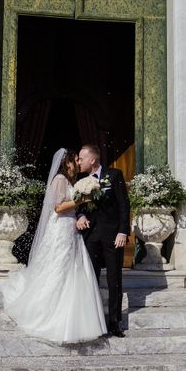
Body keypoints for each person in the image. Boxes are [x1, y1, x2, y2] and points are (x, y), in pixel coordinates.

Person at [2, 148, 107, 343]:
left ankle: (71, 315)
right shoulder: (59, 179)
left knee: (70, 269)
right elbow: (58, 208)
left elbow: (72, 207)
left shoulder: (71, 182)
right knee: (57, 267)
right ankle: (45, 312)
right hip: (60, 229)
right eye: (75, 160)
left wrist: (80, 214)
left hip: (70, 229)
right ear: (66, 163)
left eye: (78, 159)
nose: (77, 162)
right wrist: (83, 199)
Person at [76, 144, 130, 338]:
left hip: (113, 236)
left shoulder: (114, 175)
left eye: (81, 158)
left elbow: (124, 205)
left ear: (93, 159)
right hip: (91, 237)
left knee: (114, 279)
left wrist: (123, 232)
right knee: (91, 279)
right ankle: (93, 322)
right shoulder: (80, 180)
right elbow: (79, 205)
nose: (78, 162)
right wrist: (80, 216)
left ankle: (115, 322)